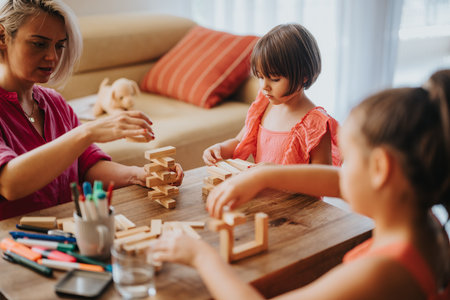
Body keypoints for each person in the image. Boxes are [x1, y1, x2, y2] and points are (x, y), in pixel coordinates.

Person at [151, 69, 450, 299]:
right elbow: (338, 181)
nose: (340, 167)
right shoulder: (424, 222)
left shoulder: (381, 272)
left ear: (380, 169)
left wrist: (202, 257)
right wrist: (263, 174)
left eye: (348, 156)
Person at [0, 0, 183, 220]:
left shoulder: (54, 103)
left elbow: (87, 166)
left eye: (59, 45)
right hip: (13, 242)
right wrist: (87, 132)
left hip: (68, 232)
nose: (53, 57)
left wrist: (140, 175)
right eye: (39, 44)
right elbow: (9, 183)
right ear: (2, 37)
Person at [203, 23, 341, 167]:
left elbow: (322, 179)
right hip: (260, 188)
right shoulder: (264, 104)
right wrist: (220, 149)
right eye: (260, 77)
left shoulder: (315, 124)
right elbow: (239, 141)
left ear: (304, 75)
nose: (264, 87)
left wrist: (275, 174)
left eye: (274, 79)